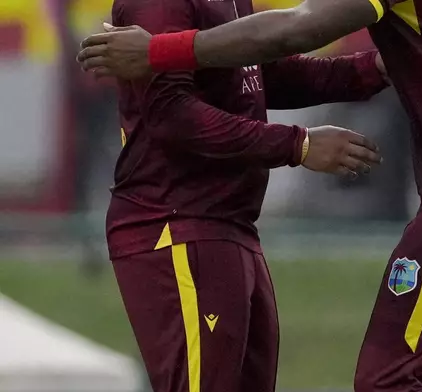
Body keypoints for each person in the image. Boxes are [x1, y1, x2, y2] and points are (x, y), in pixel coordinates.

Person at [78, 0, 422, 391]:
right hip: (179, 225)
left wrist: (163, 51)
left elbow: (292, 34)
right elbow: (173, 116)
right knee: (414, 378)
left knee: (392, 379)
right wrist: (305, 137)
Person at [76, 1, 387, 392]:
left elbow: (260, 73)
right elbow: (171, 115)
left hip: (229, 224)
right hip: (176, 223)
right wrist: (299, 145)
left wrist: (371, 69)